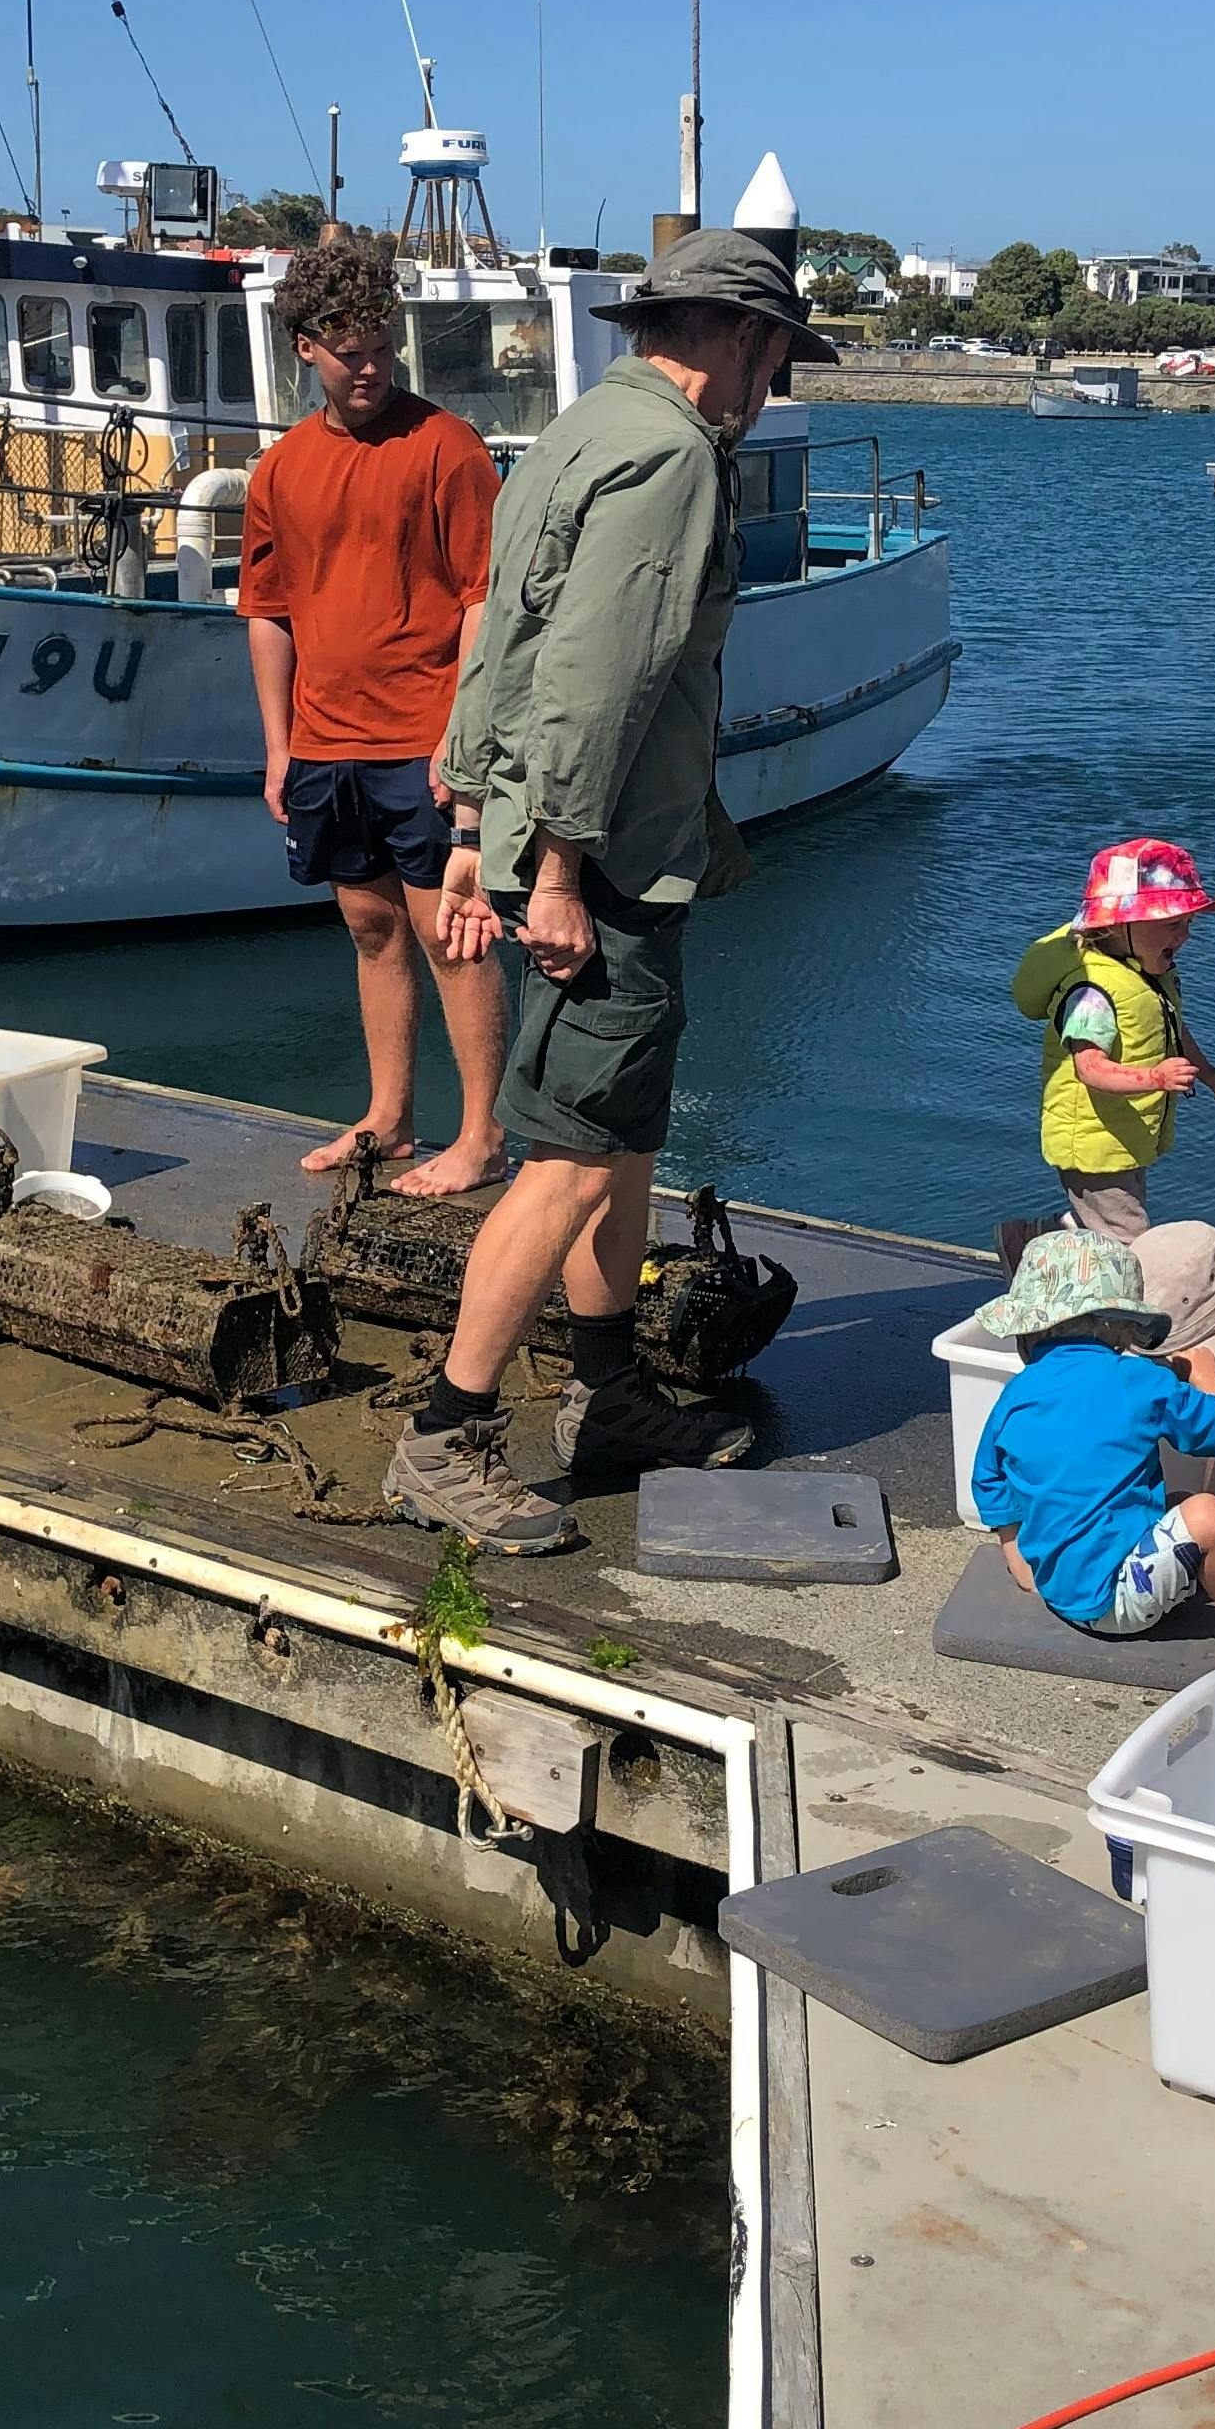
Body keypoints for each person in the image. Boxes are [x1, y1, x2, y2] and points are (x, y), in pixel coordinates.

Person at [386, 229, 831, 1551]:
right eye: (775, 353)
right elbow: (599, 676)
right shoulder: (676, 459)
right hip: (606, 860)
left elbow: (496, 630)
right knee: (574, 1159)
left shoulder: (578, 431)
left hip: (573, 841)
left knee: (623, 1139)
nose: (774, 380)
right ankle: (446, 1435)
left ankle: (609, 1392)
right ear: (738, 340)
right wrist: (562, 866)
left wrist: (471, 818)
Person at [238, 232, 511, 1193]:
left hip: (425, 739)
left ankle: (481, 1135)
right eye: (347, 349)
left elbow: (485, 595)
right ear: (303, 346)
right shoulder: (279, 471)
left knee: (453, 930)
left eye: (380, 347)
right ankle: (389, 1117)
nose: (368, 367)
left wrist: (459, 736)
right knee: (369, 925)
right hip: (323, 743)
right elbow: (267, 611)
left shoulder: (446, 447)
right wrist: (279, 748)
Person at [970, 1226, 1215, 1638]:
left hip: (1054, 1584)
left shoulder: (1017, 1392)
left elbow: (989, 1478)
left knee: (1178, 1504)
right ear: (1121, 1326)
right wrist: (1205, 1377)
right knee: (1207, 1514)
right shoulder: (1137, 1379)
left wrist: (1017, 1556)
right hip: (1114, 1603)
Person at [1013, 836, 1215, 1242]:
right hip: (1094, 1143)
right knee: (1130, 1239)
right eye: (1172, 923)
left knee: (1107, 1224)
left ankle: (1040, 1238)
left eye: (1188, 923)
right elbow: (1090, 1068)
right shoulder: (1092, 994)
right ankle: (1124, 1303)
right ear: (1120, 925)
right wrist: (1155, 1078)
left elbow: (1172, 1027)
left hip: (1122, 1135)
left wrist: (1204, 1070)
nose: (1184, 935)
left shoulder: (1146, 977)